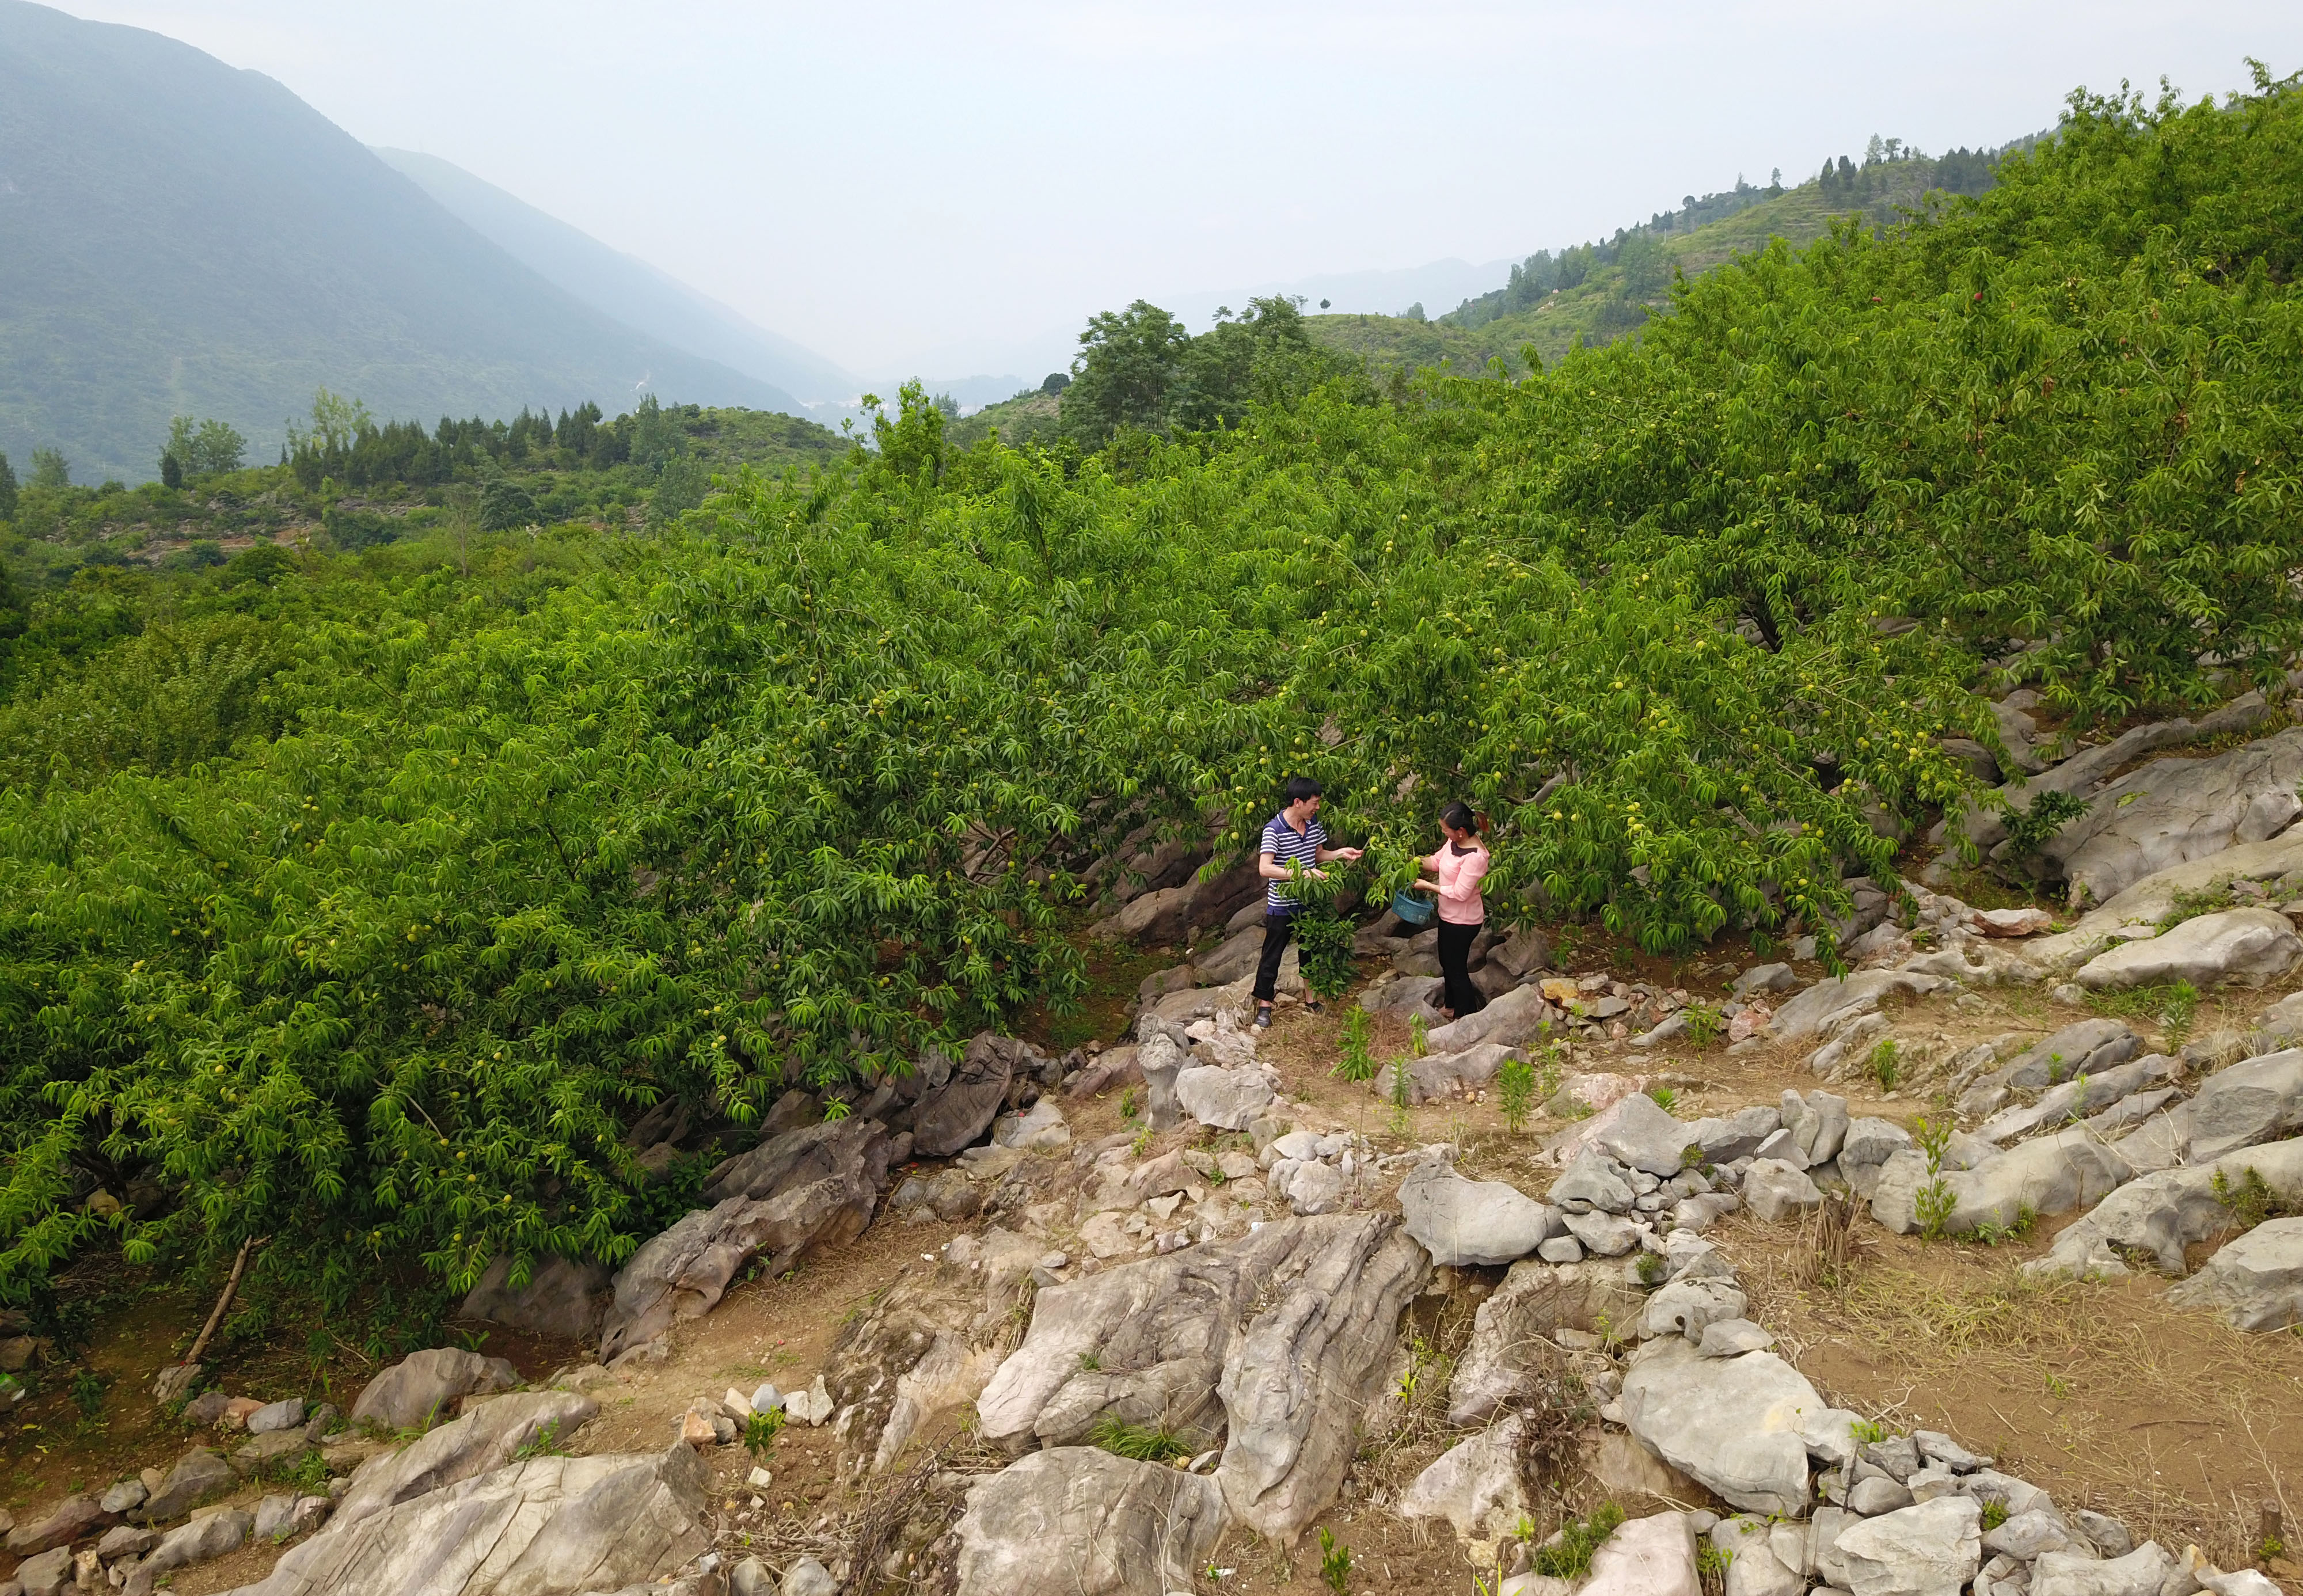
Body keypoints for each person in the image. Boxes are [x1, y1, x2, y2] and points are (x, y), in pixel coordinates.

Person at [1253, 776, 1362, 1028]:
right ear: (1298, 802)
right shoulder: (1274, 828)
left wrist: (1340, 853)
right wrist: (1302, 873)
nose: (1317, 808)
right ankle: (1264, 1004)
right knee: (1273, 954)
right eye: (1314, 803)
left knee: (1310, 952)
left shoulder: (1313, 825)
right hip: (1282, 903)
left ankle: (1311, 1000)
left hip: (1309, 901)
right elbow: (1265, 868)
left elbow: (1318, 854)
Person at [1409, 801, 1490, 1022]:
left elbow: (1460, 893)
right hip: (1449, 917)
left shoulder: (1476, 857)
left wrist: (1427, 886)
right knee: (1447, 962)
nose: (1444, 832)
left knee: (1456, 968)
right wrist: (1410, 862)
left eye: (1446, 829)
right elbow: (1436, 862)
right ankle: (1451, 1005)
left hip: (1464, 922)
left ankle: (1466, 1014)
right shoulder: (1454, 842)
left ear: (1461, 832)